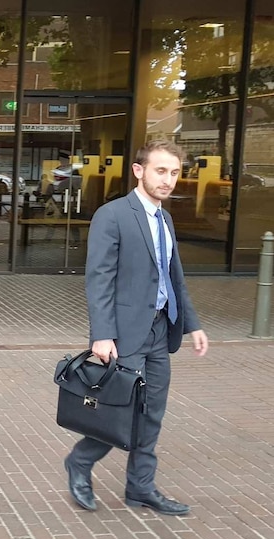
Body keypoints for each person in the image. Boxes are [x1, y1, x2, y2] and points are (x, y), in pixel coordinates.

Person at [63, 139, 208, 516]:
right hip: (125, 333)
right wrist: (102, 334)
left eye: (175, 173)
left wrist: (192, 324)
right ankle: (80, 461)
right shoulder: (113, 215)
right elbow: (99, 279)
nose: (169, 180)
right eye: (161, 171)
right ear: (139, 171)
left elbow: (174, 278)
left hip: (161, 330)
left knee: (152, 412)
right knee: (119, 412)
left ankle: (141, 487)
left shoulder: (165, 218)